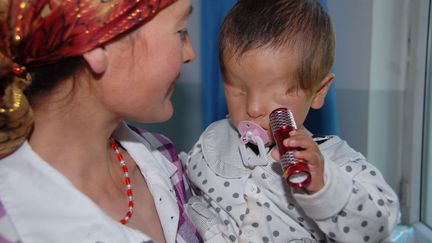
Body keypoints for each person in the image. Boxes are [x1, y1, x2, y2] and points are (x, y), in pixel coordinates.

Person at [182, 0, 400, 242]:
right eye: (238, 89)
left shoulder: (333, 160)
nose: (253, 108)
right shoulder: (214, 140)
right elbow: (181, 186)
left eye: (277, 93)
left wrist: (326, 187)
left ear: (318, 91)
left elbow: (380, 224)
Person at [0, 0, 202, 242]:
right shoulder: (12, 223)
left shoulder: (161, 159)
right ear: (100, 44)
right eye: (180, 31)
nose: (190, 53)